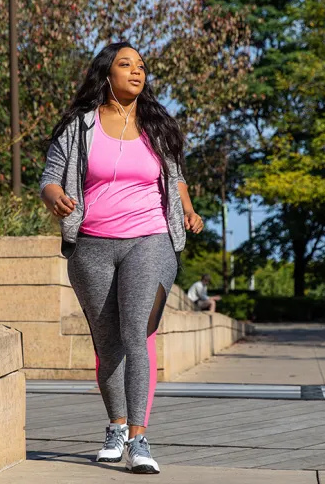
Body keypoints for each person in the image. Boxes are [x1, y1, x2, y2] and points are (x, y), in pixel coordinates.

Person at [40, 42, 204, 475]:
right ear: (105, 74)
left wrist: (187, 209)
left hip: (149, 239)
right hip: (92, 244)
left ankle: (139, 436)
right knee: (107, 343)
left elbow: (175, 177)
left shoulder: (156, 126)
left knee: (136, 332)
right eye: (125, 64)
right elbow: (50, 178)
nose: (136, 71)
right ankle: (114, 428)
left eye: (142, 66)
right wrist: (56, 197)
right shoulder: (79, 127)